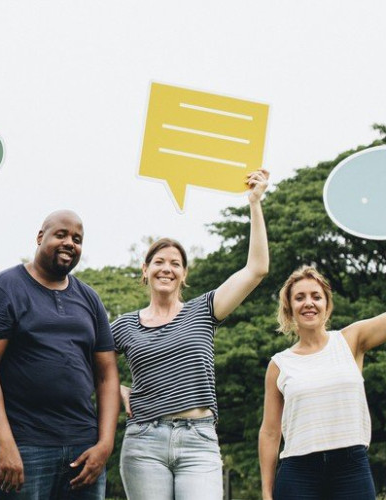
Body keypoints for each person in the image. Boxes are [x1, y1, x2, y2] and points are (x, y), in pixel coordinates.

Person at [111, 170, 270, 499]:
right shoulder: (125, 324)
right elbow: (84, 363)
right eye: (158, 261)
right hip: (144, 440)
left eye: (175, 263)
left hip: (198, 439)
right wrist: (119, 390)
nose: (166, 268)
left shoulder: (204, 310)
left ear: (184, 274)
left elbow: (257, 269)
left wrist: (255, 203)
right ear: (145, 270)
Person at [258, 221, 386, 500]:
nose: (309, 303)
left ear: (327, 305)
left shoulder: (350, 340)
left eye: (316, 296)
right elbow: (269, 432)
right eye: (300, 297)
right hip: (299, 472)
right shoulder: (280, 364)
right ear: (289, 309)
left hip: (350, 467)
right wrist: (267, 493)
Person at [0, 210, 120, 500]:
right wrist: (6, 443)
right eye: (61, 234)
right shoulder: (5, 289)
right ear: (40, 237)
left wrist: (105, 444)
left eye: (77, 239)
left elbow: (107, 373)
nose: (69, 243)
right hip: (25, 445)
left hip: (83, 448)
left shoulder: (89, 299)